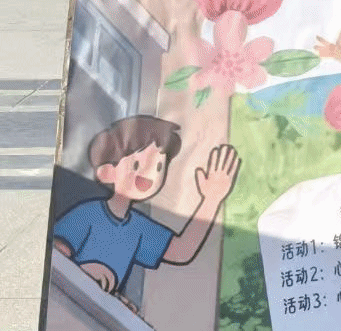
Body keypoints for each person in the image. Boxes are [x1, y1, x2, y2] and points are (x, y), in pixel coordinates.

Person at [51, 115, 241, 316]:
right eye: (136, 165)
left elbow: (181, 250)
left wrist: (211, 200)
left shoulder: (139, 229)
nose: (149, 176)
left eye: (158, 167)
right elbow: (57, 252)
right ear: (107, 172)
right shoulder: (89, 214)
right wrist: (85, 274)